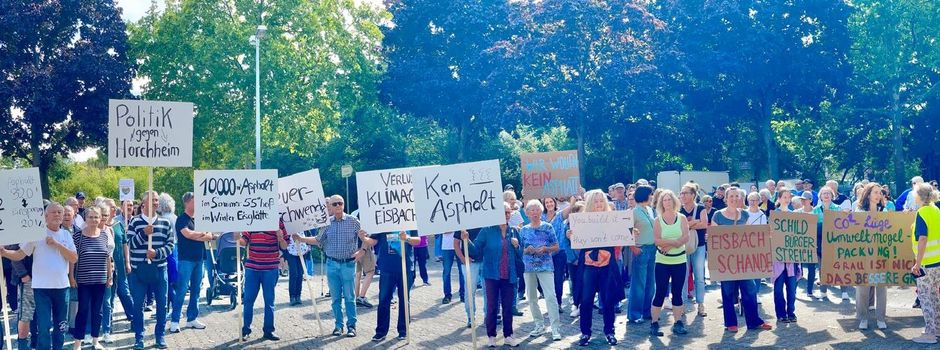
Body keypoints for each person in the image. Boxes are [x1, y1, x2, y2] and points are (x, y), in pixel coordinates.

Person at [0, 203, 78, 350]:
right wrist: (4, 252)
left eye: (59, 212)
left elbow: (74, 258)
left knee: (61, 326)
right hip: (41, 288)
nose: (57, 215)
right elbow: (19, 254)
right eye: (53, 212)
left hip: (62, 288)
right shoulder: (36, 235)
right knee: (43, 327)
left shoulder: (66, 235)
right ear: (45, 216)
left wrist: (57, 244)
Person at [292, 195, 365, 337]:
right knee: (336, 298)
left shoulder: (354, 221)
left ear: (343, 205)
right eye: (334, 204)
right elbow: (318, 240)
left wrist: (362, 251)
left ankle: (352, 326)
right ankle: (338, 326)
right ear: (330, 207)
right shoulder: (327, 223)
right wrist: (301, 239)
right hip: (331, 264)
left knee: (350, 297)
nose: (338, 206)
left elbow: (366, 238)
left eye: (340, 203)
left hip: (348, 264)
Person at [464, 203, 523, 348]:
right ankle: (491, 336)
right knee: (491, 307)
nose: (506, 215)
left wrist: (517, 246)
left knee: (508, 306)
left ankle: (508, 335)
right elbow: (476, 250)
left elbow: (520, 255)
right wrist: (467, 240)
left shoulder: (514, 231)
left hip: (509, 275)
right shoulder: (487, 231)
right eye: (503, 213)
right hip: (491, 274)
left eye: (508, 213)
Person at [713, 188, 772, 332]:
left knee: (750, 290)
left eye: (736, 196)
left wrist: (766, 235)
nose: (734, 198)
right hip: (726, 261)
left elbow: (749, 236)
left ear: (740, 198)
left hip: (743, 261)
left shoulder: (745, 214)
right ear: (726, 198)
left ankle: (753, 321)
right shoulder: (718, 215)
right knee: (727, 292)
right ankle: (731, 323)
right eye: (731, 196)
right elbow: (714, 237)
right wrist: (710, 238)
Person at [126, 191, 176, 349]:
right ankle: (139, 337)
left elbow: (170, 245)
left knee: (162, 305)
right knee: (138, 305)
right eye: (153, 200)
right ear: (144, 203)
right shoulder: (134, 222)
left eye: (157, 200)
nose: (156, 202)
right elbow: (130, 244)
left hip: (160, 270)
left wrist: (157, 253)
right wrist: (143, 234)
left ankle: (160, 335)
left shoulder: (165, 223)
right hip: (138, 271)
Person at [576, 190, 624, 346]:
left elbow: (620, 238)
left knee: (608, 299)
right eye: (595, 201)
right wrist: (571, 234)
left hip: (607, 264)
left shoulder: (612, 219)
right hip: (588, 265)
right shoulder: (581, 220)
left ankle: (609, 331)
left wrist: (629, 233)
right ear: (590, 203)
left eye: (601, 201)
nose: (598, 204)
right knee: (586, 299)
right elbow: (577, 242)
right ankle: (585, 333)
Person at [358, 230, 419, 342]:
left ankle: (403, 330)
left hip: (406, 268)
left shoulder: (409, 220)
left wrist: (407, 238)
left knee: (405, 300)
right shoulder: (383, 224)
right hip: (387, 268)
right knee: (383, 300)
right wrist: (364, 238)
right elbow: (374, 241)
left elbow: (418, 241)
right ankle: (381, 332)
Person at [69, 207, 112, 350]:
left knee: (97, 311)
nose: (94, 220)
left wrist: (109, 276)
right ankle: (77, 343)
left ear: (100, 218)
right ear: (85, 218)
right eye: (91, 217)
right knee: (83, 310)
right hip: (83, 280)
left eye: (96, 217)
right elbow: (72, 259)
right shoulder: (77, 236)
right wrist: (71, 276)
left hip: (100, 280)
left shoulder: (105, 235)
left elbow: (108, 258)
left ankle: (95, 340)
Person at [239, 219, 289, 341]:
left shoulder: (279, 222)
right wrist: (236, 237)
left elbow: (285, 246)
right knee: (248, 300)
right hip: (252, 268)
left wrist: (280, 238)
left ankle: (268, 331)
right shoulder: (251, 218)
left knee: (269, 301)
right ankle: (245, 329)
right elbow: (243, 241)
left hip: (270, 268)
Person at [170, 193, 213, 333]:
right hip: (185, 260)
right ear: (187, 202)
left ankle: (192, 318)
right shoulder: (181, 219)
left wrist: (198, 234)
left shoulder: (199, 219)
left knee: (196, 289)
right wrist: (201, 234)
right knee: (182, 290)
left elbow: (208, 236)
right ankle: (175, 320)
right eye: (195, 201)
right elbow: (187, 234)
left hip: (199, 259)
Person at [519, 200, 562, 341]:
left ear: (541, 211)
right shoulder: (523, 230)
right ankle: (539, 325)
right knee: (531, 297)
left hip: (545, 266)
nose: (535, 212)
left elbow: (556, 246)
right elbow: (520, 251)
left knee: (550, 296)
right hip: (529, 267)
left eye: (537, 209)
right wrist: (527, 250)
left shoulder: (548, 227)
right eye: (531, 210)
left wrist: (546, 249)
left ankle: (555, 328)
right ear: (527, 213)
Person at [649, 190, 690, 337]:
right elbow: (657, 240)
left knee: (677, 293)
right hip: (662, 261)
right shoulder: (658, 220)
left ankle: (678, 322)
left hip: (679, 260)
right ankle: (654, 323)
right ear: (661, 203)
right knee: (660, 292)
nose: (667, 202)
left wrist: (672, 245)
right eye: (664, 200)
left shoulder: (682, 217)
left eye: (669, 200)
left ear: (674, 201)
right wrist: (674, 242)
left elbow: (686, 237)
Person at [855, 183, 889, 330]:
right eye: (875, 192)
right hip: (864, 256)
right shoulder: (859, 211)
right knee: (863, 287)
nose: (878, 195)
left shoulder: (885, 211)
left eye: (880, 193)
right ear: (868, 194)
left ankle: (881, 317)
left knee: (881, 286)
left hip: (881, 255)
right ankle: (863, 317)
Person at [909, 182, 940, 344]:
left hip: (926, 263)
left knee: (925, 297)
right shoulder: (936, 210)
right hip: (938, 262)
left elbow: (922, 238)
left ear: (919, 196)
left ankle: (930, 333)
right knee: (934, 295)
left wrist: (917, 263)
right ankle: (938, 327)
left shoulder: (922, 212)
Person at [809, 187, 846, 301]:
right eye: (824, 193)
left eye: (828, 193)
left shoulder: (838, 209)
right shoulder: (815, 210)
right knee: (822, 268)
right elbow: (811, 227)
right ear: (820, 196)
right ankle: (823, 291)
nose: (826, 195)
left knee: (840, 267)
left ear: (832, 196)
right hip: (820, 244)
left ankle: (844, 292)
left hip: (835, 242)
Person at [628, 185, 657, 324]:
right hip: (641, 249)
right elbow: (626, 231)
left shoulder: (650, 210)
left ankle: (647, 311)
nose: (652, 197)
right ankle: (634, 314)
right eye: (651, 194)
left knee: (650, 283)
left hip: (652, 248)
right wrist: (633, 247)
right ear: (645, 195)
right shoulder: (634, 212)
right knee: (639, 283)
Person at [771, 188, 800, 324]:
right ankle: (781, 314)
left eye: (789, 197)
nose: (787, 199)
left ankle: (791, 312)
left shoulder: (795, 215)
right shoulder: (774, 215)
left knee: (792, 288)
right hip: (778, 259)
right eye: (784, 197)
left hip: (792, 258)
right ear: (779, 198)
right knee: (778, 289)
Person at [679, 184, 708, 317]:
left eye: (685, 193)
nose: (682, 195)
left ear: (692, 195)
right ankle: (682, 304)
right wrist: (693, 223)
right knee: (683, 276)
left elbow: (704, 224)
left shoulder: (701, 208)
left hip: (699, 245)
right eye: (681, 193)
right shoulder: (679, 209)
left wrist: (687, 225)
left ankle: (701, 303)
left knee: (699, 276)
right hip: (683, 246)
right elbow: (678, 226)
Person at [454, 227, 484, 328]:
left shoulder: (487, 218)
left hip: (486, 260)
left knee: (489, 290)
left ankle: (489, 315)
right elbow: (456, 242)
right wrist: (462, 258)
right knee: (470, 290)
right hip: (470, 262)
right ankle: (471, 316)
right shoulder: (462, 222)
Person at [543, 197, 568, 311]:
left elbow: (572, 207)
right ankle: (549, 301)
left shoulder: (559, 216)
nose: (549, 204)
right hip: (545, 253)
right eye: (546, 202)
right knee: (545, 280)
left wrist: (573, 194)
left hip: (559, 252)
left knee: (558, 279)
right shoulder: (541, 217)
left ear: (555, 203)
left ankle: (557, 303)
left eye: (551, 202)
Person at [563, 202, 585, 318]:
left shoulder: (588, 224)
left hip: (586, 259)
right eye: (580, 212)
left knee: (585, 283)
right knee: (576, 282)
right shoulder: (567, 226)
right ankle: (576, 305)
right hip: (573, 260)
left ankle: (584, 305)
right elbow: (565, 245)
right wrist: (573, 259)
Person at [440, 228, 465, 305]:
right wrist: (455, 229)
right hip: (447, 247)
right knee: (446, 272)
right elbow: (441, 230)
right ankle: (447, 295)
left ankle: (463, 294)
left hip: (460, 245)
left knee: (462, 271)